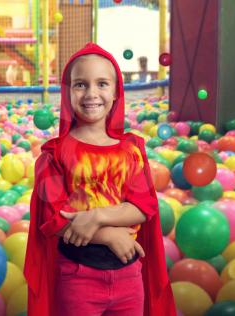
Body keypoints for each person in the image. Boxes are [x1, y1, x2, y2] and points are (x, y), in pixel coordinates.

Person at [24, 43, 176, 316]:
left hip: (129, 276)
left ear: (117, 92)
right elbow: (53, 219)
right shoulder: (54, 154)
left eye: (102, 83)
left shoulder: (131, 150)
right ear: (67, 91)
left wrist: (95, 218)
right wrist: (109, 237)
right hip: (76, 277)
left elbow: (143, 206)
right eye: (80, 84)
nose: (91, 93)